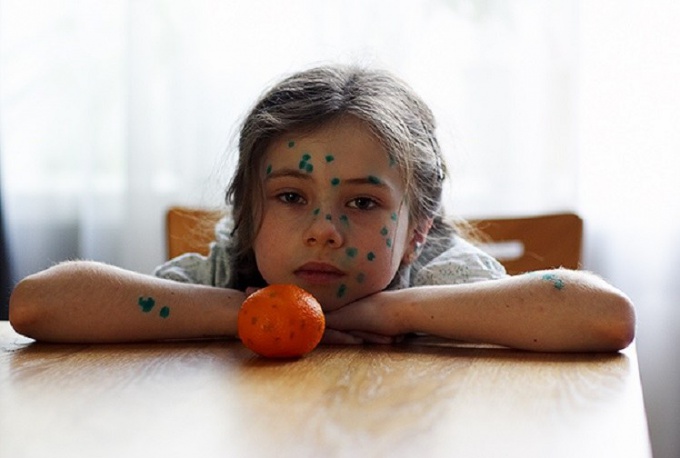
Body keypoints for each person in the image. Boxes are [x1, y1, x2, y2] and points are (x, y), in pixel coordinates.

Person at [8, 65, 635, 352]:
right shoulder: (232, 270)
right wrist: (248, 312)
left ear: (416, 232)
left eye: (363, 202)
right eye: (289, 198)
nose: (324, 232)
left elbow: (605, 318)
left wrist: (393, 310)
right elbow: (38, 304)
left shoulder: (440, 275)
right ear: (248, 217)